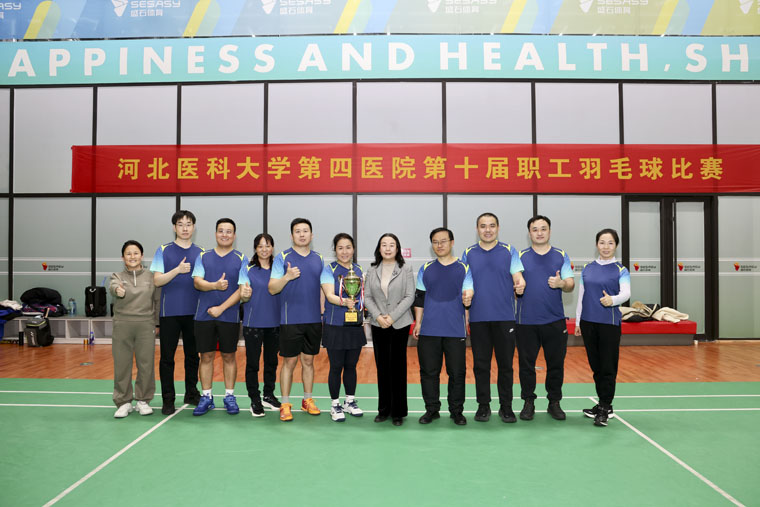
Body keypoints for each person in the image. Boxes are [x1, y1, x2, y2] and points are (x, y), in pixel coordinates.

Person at [460, 212, 525, 424]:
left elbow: (518, 276)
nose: (487, 230)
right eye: (483, 226)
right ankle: (483, 406)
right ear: (477, 229)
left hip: (505, 318)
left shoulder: (509, 251)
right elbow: (465, 284)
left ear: (498, 228)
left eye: (491, 225)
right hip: (478, 318)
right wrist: (466, 311)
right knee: (481, 366)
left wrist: (520, 283)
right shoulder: (468, 253)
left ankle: (506, 407)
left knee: (506, 365)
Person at [516, 215, 575, 421]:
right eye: (535, 229)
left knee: (556, 364)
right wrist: (516, 288)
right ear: (529, 233)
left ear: (549, 231)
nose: (539, 233)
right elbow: (513, 283)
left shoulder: (561, 255)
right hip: (525, 322)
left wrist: (561, 284)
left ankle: (554, 402)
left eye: (543, 229)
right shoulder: (519, 256)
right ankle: (528, 402)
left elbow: (570, 283)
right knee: (526, 366)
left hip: (554, 321)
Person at [413, 227, 474, 426]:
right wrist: (418, 323)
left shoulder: (464, 268)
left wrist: (467, 304)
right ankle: (431, 410)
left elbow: (468, 293)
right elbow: (420, 298)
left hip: (455, 330)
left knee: (457, 373)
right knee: (429, 372)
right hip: (429, 329)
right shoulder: (425, 269)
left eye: (443, 241)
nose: (439, 245)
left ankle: (456, 411)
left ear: (452, 242)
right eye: (435, 242)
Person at [268, 218, 325, 422]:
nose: (302, 234)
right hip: (290, 319)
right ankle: (285, 403)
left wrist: (322, 311)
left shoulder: (319, 259)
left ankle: (307, 400)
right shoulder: (282, 258)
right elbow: (272, 288)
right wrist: (287, 277)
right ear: (292, 236)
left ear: (312, 234)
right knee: (289, 362)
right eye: (298, 231)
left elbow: (323, 287)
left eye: (305, 231)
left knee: (308, 361)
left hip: (313, 319)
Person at [191, 218, 248, 416]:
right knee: (206, 356)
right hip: (204, 316)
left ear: (234, 235)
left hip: (229, 316)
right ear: (215, 234)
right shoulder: (203, 256)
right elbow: (197, 282)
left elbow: (241, 290)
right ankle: (206, 396)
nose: (225, 234)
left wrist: (221, 308)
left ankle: (229, 396)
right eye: (221, 231)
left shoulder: (242, 259)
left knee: (229, 356)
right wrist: (214, 285)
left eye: (229, 231)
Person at [575, 228, 631, 427]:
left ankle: (605, 407)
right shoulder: (588, 268)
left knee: (608, 367)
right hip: (588, 323)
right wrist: (578, 321)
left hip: (609, 323)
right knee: (596, 366)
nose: (606, 247)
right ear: (596, 244)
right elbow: (581, 296)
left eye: (610, 243)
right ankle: (602, 403)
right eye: (602, 242)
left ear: (616, 246)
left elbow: (626, 293)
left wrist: (612, 300)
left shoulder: (621, 270)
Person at [150, 210, 203, 415]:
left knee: (193, 357)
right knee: (167, 358)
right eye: (180, 224)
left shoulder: (201, 252)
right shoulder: (163, 250)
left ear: (194, 227)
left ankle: (191, 393)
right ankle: (168, 399)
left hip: (194, 313)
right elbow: (157, 280)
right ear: (174, 227)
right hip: (169, 313)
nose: (185, 228)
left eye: (188, 224)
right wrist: (177, 270)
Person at [364, 233, 415, 426]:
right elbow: (367, 297)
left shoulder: (406, 269)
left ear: (397, 248)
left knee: (398, 368)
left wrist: (392, 317)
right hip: (378, 324)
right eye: (383, 245)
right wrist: (378, 316)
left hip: (399, 323)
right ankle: (383, 410)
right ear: (379, 248)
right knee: (382, 367)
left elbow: (409, 296)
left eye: (391, 245)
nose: (387, 248)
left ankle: (398, 412)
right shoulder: (372, 270)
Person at [320, 233, 367, 422]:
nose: (344, 251)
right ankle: (335, 404)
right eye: (340, 248)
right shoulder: (328, 269)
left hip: (354, 325)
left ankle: (350, 401)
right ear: (335, 250)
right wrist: (344, 302)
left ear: (353, 249)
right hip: (335, 325)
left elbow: (362, 295)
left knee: (351, 366)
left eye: (348, 247)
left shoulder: (358, 270)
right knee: (336, 366)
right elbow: (329, 295)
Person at [109, 240, 158, 418]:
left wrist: (157, 323)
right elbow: (113, 287)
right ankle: (123, 402)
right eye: (128, 253)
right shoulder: (117, 275)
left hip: (145, 325)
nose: (132, 256)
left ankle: (143, 400)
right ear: (123, 257)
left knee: (146, 364)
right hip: (122, 325)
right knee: (122, 365)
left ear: (142, 256)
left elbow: (156, 300)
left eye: (136, 253)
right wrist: (118, 290)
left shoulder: (151, 277)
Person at [239, 233, 282, 417]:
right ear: (255, 249)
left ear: (272, 248)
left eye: (268, 245)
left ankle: (268, 395)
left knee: (272, 362)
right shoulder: (247, 268)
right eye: (260, 246)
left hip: (275, 323)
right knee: (253, 364)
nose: (264, 249)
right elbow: (242, 294)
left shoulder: (279, 268)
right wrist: (245, 295)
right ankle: (254, 399)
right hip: (253, 323)